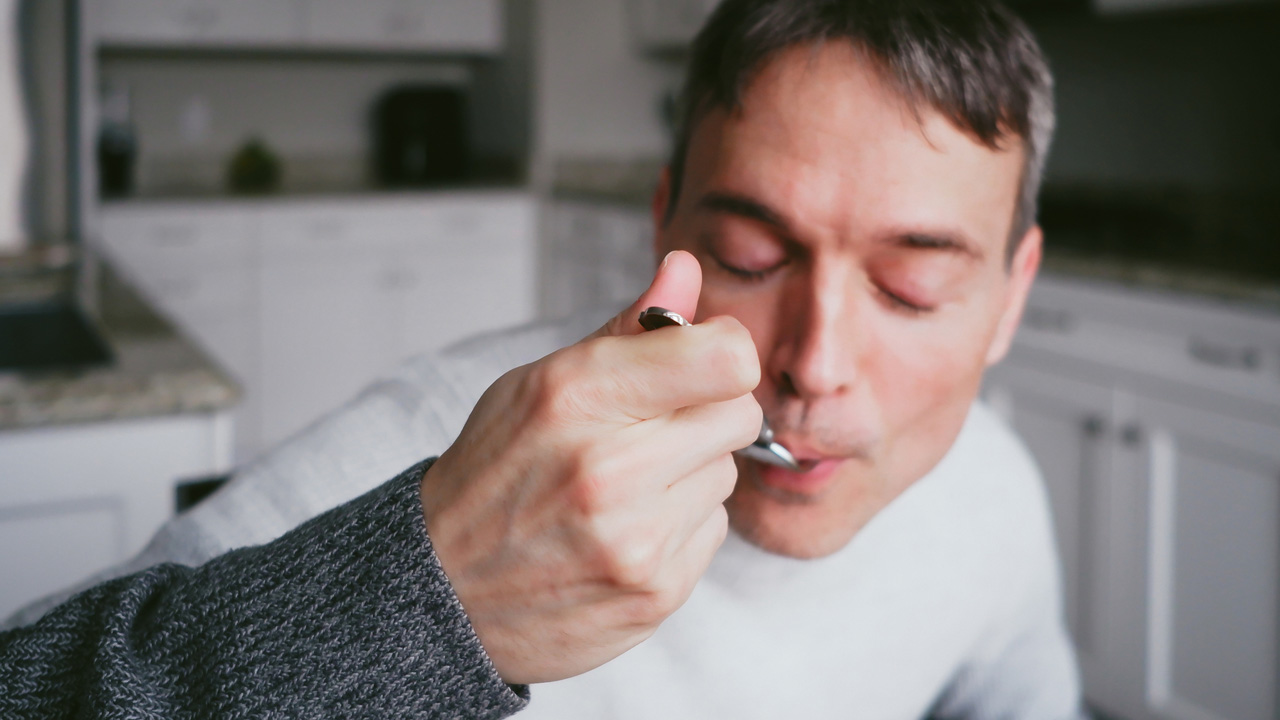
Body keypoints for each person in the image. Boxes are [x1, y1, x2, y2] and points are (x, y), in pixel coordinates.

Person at [2, 0, 1083, 717]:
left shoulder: (992, 489)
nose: (813, 363)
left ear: (1010, 297)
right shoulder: (439, 449)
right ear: (662, 226)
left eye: (910, 288)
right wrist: (420, 594)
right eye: (748, 259)